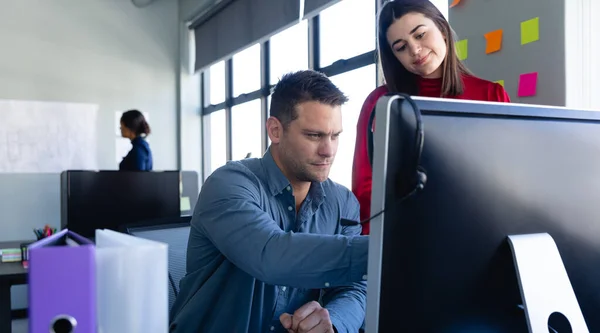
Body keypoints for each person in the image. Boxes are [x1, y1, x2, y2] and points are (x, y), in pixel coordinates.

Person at [169, 70, 368, 333]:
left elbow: (355, 287)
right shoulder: (228, 184)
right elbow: (271, 255)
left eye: (335, 136)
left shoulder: (342, 202)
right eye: (314, 135)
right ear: (275, 130)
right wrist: (386, 249)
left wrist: (334, 322)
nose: (328, 150)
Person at [352, 0, 511, 235]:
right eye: (400, 47)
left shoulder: (490, 95)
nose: (414, 50)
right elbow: (365, 185)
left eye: (420, 35)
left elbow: (508, 176)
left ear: (442, 29)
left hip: (479, 230)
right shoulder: (380, 102)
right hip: (403, 234)